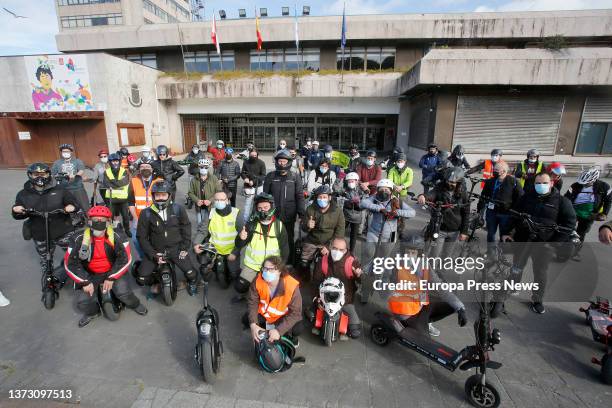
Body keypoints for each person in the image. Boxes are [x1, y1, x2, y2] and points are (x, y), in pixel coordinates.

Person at [502, 172, 577, 314]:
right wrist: (506, 232)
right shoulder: (526, 198)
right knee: (517, 266)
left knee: (540, 272)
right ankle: (512, 287)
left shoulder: (562, 202)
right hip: (523, 239)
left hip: (545, 244)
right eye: (537, 183)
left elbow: (569, 224)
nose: (540, 186)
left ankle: (537, 299)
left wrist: (554, 243)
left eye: (544, 183)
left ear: (551, 183)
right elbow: (514, 214)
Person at [64, 205, 147, 327]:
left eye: (103, 220)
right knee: (83, 303)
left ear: (109, 222)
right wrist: (85, 281)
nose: (99, 222)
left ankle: (135, 304)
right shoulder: (77, 238)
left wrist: (112, 277)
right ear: (89, 221)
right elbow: (70, 263)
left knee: (123, 293)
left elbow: (126, 259)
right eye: (95, 219)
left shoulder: (118, 236)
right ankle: (94, 312)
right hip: (90, 274)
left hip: (112, 271)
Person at [12, 163, 79, 304]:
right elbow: (18, 213)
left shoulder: (59, 189)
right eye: (36, 174)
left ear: (48, 175)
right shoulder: (23, 194)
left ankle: (79, 276)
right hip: (40, 233)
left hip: (62, 230)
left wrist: (70, 207)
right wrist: (16, 210)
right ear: (30, 175)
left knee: (74, 254)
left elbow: (73, 203)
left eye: (43, 174)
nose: (40, 177)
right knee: (45, 261)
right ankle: (48, 283)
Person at [387, 235, 467, 337]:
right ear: (403, 251)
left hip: (419, 304)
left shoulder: (423, 262)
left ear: (419, 253)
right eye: (408, 252)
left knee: (451, 305)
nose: (410, 256)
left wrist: (460, 308)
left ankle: (426, 321)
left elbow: (440, 286)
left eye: (414, 252)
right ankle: (398, 323)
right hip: (405, 312)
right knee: (422, 339)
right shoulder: (395, 264)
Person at [134, 182, 198, 296]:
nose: (160, 198)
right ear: (153, 196)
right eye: (157, 195)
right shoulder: (146, 213)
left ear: (169, 195)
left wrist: (185, 246)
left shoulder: (178, 209)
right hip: (156, 251)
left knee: (191, 273)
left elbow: (186, 228)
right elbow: (141, 237)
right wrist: (153, 255)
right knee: (141, 279)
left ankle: (192, 283)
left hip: (176, 249)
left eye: (163, 195)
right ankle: (156, 282)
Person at [234, 193, 289, 299]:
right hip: (253, 266)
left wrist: (280, 268)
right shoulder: (251, 224)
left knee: (276, 293)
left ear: (271, 207)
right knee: (240, 287)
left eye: (265, 207)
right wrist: (240, 238)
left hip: (271, 267)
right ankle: (250, 292)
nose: (262, 210)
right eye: (259, 208)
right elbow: (239, 244)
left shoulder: (279, 225)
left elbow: (285, 249)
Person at [244, 256, 303, 345]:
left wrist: (279, 331)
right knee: (247, 319)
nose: (267, 272)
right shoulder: (258, 280)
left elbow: (295, 313)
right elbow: (252, 302)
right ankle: (263, 329)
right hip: (266, 315)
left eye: (271, 269)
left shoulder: (291, 286)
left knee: (297, 328)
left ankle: (292, 339)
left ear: (279, 271)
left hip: (282, 317)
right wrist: (253, 325)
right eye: (265, 268)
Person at [311, 237, 363, 339]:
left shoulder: (352, 262)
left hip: (345, 300)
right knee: (311, 316)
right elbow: (316, 282)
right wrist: (316, 298)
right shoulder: (323, 261)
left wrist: (359, 276)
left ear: (346, 250)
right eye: (334, 248)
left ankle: (341, 325)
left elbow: (364, 283)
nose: (337, 252)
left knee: (355, 331)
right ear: (330, 248)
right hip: (325, 299)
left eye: (341, 250)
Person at [417, 167, 470, 263]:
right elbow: (431, 194)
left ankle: (440, 273)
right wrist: (423, 196)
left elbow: (466, 214)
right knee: (434, 255)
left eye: (453, 182)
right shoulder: (439, 188)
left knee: (446, 256)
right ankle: (431, 276)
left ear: (459, 182)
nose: (450, 184)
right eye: (449, 181)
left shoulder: (464, 194)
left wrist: (464, 232)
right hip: (440, 229)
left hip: (455, 230)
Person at [263, 149, 305, 265]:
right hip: (273, 215)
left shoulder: (295, 177)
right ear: (277, 162)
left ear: (289, 162)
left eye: (284, 161)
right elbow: (264, 197)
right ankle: (272, 262)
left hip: (289, 215)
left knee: (288, 238)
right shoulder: (270, 176)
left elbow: (300, 196)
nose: (282, 163)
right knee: (272, 238)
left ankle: (288, 262)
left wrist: (302, 214)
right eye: (280, 161)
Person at [193, 190, 244, 281]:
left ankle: (231, 269)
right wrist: (196, 243)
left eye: (222, 199)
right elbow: (202, 230)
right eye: (216, 200)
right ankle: (211, 271)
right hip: (214, 249)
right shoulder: (210, 213)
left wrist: (235, 252)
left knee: (234, 274)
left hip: (231, 250)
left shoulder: (236, 213)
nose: (219, 202)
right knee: (204, 269)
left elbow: (242, 237)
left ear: (227, 200)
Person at [564, 167, 611, 261]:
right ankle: (563, 250)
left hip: (590, 214)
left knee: (581, 233)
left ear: (593, 179)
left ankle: (575, 252)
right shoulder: (575, 185)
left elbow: (608, 201)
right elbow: (566, 198)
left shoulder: (604, 187)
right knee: (568, 230)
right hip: (574, 210)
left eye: (586, 183)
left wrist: (604, 213)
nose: (583, 185)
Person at [299, 185, 345, 280]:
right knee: (303, 263)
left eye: (324, 197)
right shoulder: (310, 209)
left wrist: (329, 246)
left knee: (327, 264)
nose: (322, 199)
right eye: (320, 197)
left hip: (329, 241)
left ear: (329, 197)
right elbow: (303, 228)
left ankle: (327, 279)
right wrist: (307, 225)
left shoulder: (338, 211)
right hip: (312, 240)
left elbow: (340, 232)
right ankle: (306, 280)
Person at [477, 161, 523, 243]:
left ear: (504, 171)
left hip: (505, 214)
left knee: (503, 235)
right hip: (491, 212)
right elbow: (483, 196)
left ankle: (501, 253)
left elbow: (520, 197)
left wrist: (514, 211)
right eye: (494, 169)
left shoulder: (513, 182)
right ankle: (490, 252)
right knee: (490, 234)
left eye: (496, 170)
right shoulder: (490, 181)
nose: (494, 171)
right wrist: (479, 209)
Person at [361, 179, 415, 244]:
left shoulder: (397, 201)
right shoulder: (374, 198)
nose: (384, 191)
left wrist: (396, 212)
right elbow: (362, 203)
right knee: (369, 252)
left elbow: (412, 212)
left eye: (386, 190)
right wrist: (379, 209)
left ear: (391, 191)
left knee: (386, 253)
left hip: (392, 234)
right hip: (374, 232)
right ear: (377, 190)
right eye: (381, 190)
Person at [128, 157, 163, 259]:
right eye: (142, 167)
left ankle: (158, 257)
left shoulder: (159, 181)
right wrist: (135, 218)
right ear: (139, 170)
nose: (145, 168)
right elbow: (131, 203)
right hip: (138, 217)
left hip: (156, 216)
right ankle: (143, 258)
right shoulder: (133, 181)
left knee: (157, 239)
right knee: (135, 239)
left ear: (152, 169)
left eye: (147, 166)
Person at [51, 143, 90, 212]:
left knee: (84, 206)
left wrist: (75, 175)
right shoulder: (57, 163)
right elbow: (52, 173)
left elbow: (81, 170)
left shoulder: (77, 161)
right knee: (66, 207)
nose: (65, 153)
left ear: (71, 152)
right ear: (61, 152)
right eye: (63, 151)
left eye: (67, 151)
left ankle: (88, 219)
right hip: (63, 189)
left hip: (77, 187)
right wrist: (57, 176)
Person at [337, 172, 367, 252]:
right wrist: (338, 179)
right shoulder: (345, 190)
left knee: (353, 236)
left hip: (357, 217)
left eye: (352, 181)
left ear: (357, 181)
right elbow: (336, 189)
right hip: (346, 215)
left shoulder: (361, 190)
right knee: (340, 233)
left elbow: (366, 202)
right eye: (349, 181)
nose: (350, 183)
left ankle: (351, 252)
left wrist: (359, 202)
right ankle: (339, 248)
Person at [103, 153, 131, 236]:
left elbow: (124, 182)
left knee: (126, 217)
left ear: (119, 161)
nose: (115, 163)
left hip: (123, 199)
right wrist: (118, 183)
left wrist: (113, 182)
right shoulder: (106, 172)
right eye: (113, 161)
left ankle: (127, 230)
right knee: (109, 217)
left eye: (116, 161)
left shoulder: (124, 171)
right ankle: (110, 231)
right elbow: (106, 184)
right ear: (110, 162)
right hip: (111, 199)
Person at [188, 162, 221, 226]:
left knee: (210, 224)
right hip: (199, 206)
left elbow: (218, 192)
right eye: (201, 167)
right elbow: (190, 192)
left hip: (210, 206)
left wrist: (210, 200)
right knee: (200, 224)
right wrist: (196, 200)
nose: (204, 169)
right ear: (199, 167)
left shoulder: (213, 178)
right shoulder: (194, 179)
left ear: (208, 168)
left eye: (206, 167)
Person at [241, 148, 267, 223]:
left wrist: (254, 181)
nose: (253, 157)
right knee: (248, 205)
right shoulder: (246, 162)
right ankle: (246, 222)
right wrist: (245, 178)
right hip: (248, 187)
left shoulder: (261, 163)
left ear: (257, 155)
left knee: (259, 203)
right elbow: (243, 173)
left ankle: (260, 220)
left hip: (258, 186)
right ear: (249, 155)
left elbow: (263, 175)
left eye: (255, 155)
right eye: (252, 155)